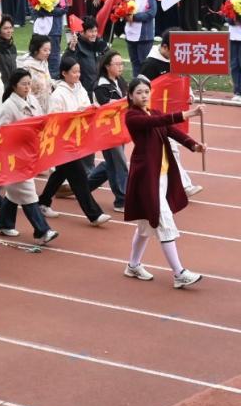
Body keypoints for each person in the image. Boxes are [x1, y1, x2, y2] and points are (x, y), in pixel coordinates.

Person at [122, 78, 205, 289]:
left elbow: (172, 130)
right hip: (146, 178)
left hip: (162, 176)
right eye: (139, 92)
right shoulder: (132, 116)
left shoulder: (155, 112)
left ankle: (133, 265)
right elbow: (157, 122)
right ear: (130, 96)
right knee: (164, 222)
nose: (144, 95)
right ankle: (179, 273)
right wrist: (188, 114)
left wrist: (193, 145)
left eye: (146, 91)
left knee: (145, 225)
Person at [36, 55, 112, 225]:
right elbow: (55, 119)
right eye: (74, 72)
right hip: (63, 142)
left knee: (61, 173)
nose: (78, 75)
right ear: (64, 73)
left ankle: (43, 201)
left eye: (79, 71)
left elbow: (86, 105)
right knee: (79, 176)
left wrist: (90, 109)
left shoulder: (80, 88)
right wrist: (79, 111)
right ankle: (94, 214)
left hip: (77, 139)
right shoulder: (58, 95)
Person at [0, 69, 59, 244]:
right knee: (28, 193)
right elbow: (2, 133)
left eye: (29, 83)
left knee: (15, 193)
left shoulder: (32, 100)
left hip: (30, 154)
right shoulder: (8, 107)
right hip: (15, 158)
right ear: (14, 86)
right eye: (24, 84)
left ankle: (2, 223)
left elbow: (41, 120)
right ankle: (42, 231)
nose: (28, 87)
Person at [89, 50, 130, 212]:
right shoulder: (101, 86)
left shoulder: (120, 81)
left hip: (120, 129)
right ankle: (121, 199)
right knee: (119, 164)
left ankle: (83, 187)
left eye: (122, 64)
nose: (121, 67)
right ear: (107, 66)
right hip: (107, 131)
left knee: (111, 164)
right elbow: (106, 109)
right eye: (117, 64)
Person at [124, 0, 158, 78]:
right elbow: (124, 9)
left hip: (144, 36)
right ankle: (136, 82)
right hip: (130, 33)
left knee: (144, 63)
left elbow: (152, 13)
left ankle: (145, 83)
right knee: (134, 62)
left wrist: (135, 17)